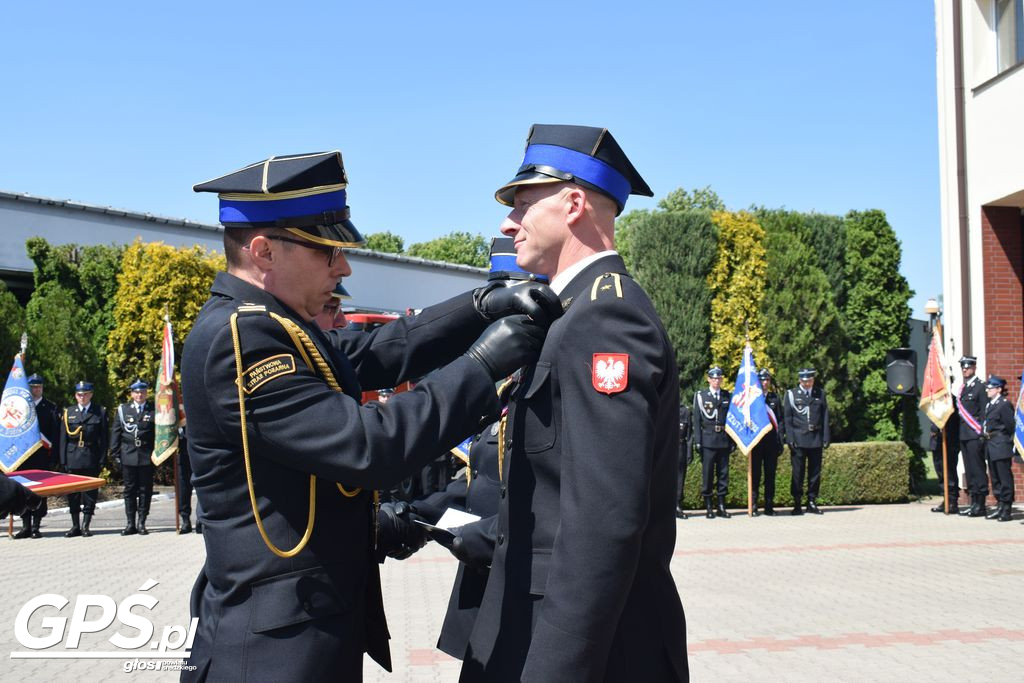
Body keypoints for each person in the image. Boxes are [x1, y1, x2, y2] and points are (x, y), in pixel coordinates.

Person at [181, 150, 560, 681]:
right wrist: (482, 366)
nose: (344, 266)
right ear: (264, 250)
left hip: (300, 627)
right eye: (326, 250)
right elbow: (369, 446)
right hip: (271, 651)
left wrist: (480, 305)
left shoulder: (281, 324)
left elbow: (377, 351)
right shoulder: (241, 338)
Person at [460, 124, 688, 682]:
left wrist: (556, 669)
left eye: (522, 203)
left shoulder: (605, 317)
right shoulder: (572, 312)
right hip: (539, 627)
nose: (507, 222)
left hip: (589, 649)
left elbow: (603, 522)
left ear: (574, 204)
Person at [377, 237, 549, 660]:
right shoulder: (512, 383)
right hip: (485, 583)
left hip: (527, 589)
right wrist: (419, 515)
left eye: (517, 300)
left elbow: (566, 501)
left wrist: (491, 536)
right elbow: (486, 479)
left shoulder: (555, 383)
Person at [13, 374, 59, 539]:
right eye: (32, 387)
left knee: (40, 491)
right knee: (23, 490)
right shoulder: (20, 408)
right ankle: (25, 526)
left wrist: (54, 458)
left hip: (41, 456)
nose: (35, 390)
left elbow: (55, 435)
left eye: (38, 387)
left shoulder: (51, 408)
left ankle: (36, 527)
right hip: (23, 457)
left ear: (42, 388)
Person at [59, 381, 108, 537]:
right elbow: (63, 439)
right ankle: (75, 526)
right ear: (75, 395)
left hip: (91, 456)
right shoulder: (69, 412)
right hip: (72, 456)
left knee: (90, 493)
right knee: (72, 493)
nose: (82, 397)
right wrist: (63, 461)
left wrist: (102, 459)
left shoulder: (99, 412)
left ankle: (86, 525)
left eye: (85, 394)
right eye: (79, 394)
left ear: (91, 394)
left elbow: (104, 438)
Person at [110, 379, 157, 535]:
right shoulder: (124, 410)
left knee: (145, 489)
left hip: (146, 455)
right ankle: (130, 523)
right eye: (136, 392)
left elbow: (158, 434)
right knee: (129, 490)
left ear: (146, 393)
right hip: (128, 455)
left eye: (142, 392)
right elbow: (116, 433)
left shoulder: (153, 410)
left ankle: (142, 522)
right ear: (131, 394)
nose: (140, 395)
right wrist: (115, 454)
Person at [785, 368, 830, 515]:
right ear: (800, 381)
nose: (807, 383)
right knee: (798, 473)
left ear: (813, 380)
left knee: (815, 473)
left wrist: (826, 437)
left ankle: (812, 501)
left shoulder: (820, 394)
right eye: (804, 381)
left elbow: (825, 416)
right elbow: (788, 419)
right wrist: (790, 438)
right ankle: (797, 502)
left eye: (809, 381)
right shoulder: (791, 394)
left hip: (815, 438)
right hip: (798, 439)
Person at [694, 366, 734, 519]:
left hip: (723, 440)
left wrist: (732, 441)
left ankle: (721, 506)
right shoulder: (701, 396)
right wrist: (698, 441)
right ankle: (709, 506)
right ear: (709, 379)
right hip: (708, 440)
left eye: (719, 378)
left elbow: (731, 419)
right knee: (708, 475)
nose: (717, 381)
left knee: (723, 475)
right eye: (714, 378)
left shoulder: (727, 396)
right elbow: (696, 420)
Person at [955, 356, 988, 517]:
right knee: (969, 470)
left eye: (967, 367)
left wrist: (982, 434)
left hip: (975, 435)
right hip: (964, 436)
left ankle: (981, 504)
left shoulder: (980, 387)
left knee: (978, 469)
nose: (965, 370)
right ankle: (973, 502)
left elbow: (983, 412)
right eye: (963, 367)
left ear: (974, 368)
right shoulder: (963, 388)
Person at [750, 369, 784, 516]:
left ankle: (769, 505)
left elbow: (780, 421)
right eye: (762, 380)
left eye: (767, 380)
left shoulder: (774, 398)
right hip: (757, 443)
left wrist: (781, 441)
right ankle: (754, 504)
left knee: (770, 475)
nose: (765, 383)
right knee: (755, 475)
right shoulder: (752, 399)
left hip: (771, 443)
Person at [982, 375, 1014, 522]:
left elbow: (1009, 426)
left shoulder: (1004, 404)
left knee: (1004, 477)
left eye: (991, 387)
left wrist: (1005, 442)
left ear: (999, 389)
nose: (988, 390)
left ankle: (1006, 508)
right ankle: (1000, 505)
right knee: (995, 478)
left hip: (1001, 444)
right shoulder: (990, 404)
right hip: (991, 444)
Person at [929, 406, 961, 514]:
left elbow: (953, 423)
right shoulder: (935, 403)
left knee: (949, 473)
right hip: (936, 442)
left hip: (948, 442)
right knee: (940, 472)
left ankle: (952, 501)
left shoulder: (949, 404)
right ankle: (945, 498)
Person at [176, 424, 200, 534]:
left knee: (202, 485)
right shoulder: (176, 407)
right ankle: (185, 520)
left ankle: (201, 520)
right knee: (183, 488)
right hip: (182, 450)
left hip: (199, 448)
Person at [677, 401, 693, 518]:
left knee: (680, 477)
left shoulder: (684, 411)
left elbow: (689, 434)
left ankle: (677, 504)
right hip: (666, 446)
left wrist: (689, 452)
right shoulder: (664, 406)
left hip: (680, 447)